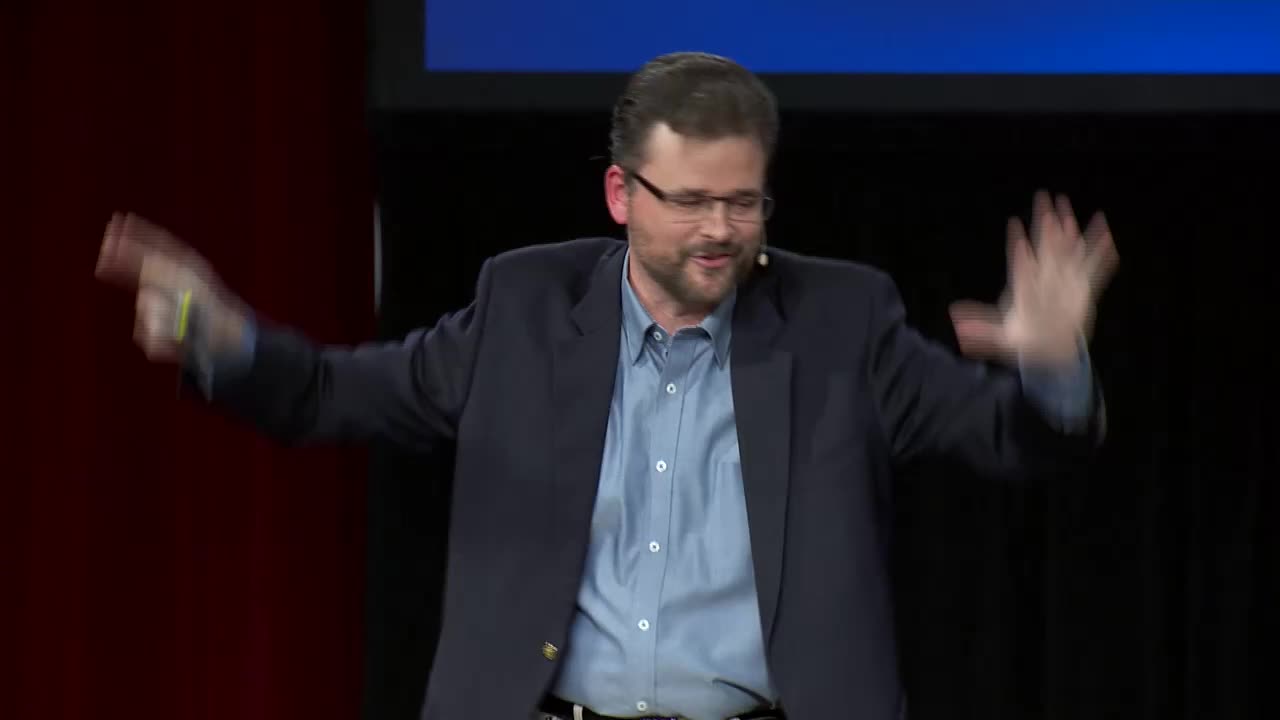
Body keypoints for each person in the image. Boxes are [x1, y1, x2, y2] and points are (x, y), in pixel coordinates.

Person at [96, 52, 1117, 720]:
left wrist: (1052, 367)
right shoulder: (523, 308)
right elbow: (327, 393)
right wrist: (222, 336)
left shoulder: (840, 322)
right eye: (691, 201)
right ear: (621, 194)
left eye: (744, 202)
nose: (719, 230)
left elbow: (1014, 440)